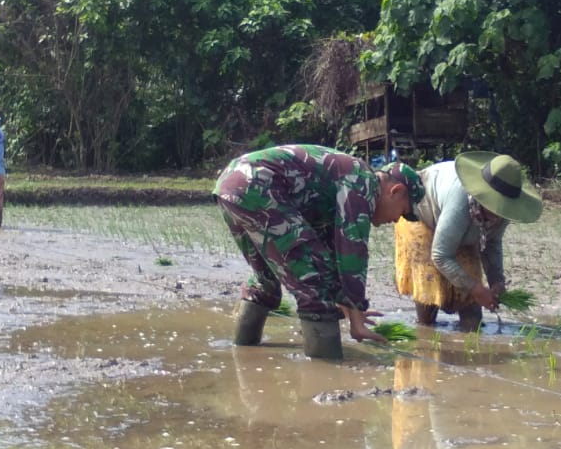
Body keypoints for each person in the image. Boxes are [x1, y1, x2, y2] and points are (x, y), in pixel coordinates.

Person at [213, 144, 425, 360]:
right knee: (316, 286)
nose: (397, 220)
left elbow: (330, 251)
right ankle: (326, 376)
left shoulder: (348, 181)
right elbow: (352, 249)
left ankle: (241, 353)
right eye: (403, 211)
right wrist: (356, 312)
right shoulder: (364, 182)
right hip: (258, 186)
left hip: (231, 184)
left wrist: (348, 304)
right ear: (395, 191)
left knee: (265, 280)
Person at [394, 151, 542, 332]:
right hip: (422, 220)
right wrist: (478, 290)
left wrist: (497, 281)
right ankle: (424, 333)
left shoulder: (503, 212)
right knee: (429, 292)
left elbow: (492, 243)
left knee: (471, 311)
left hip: (463, 229)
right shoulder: (460, 199)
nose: (498, 214)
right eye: (495, 206)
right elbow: (440, 255)